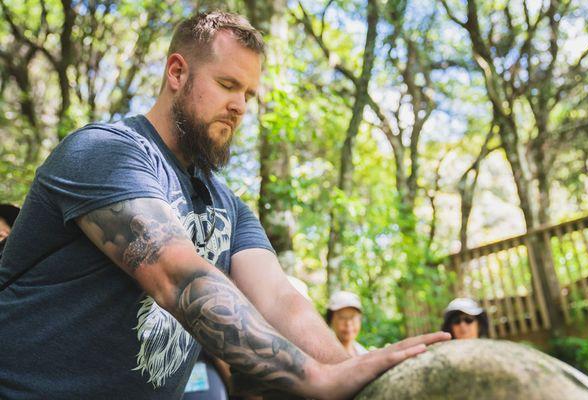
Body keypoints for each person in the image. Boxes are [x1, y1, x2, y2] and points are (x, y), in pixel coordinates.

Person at [0, 11, 450, 399]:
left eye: (249, 94)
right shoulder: (106, 152)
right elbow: (176, 278)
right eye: (227, 84)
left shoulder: (227, 206)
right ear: (177, 73)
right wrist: (315, 379)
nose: (239, 107)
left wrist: (347, 373)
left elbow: (280, 300)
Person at [326, 291, 368, 356]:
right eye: (342, 317)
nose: (348, 323)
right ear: (330, 320)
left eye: (353, 317)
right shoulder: (323, 353)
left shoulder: (364, 354)